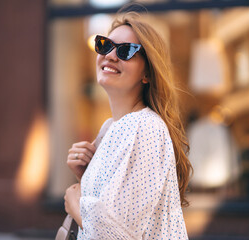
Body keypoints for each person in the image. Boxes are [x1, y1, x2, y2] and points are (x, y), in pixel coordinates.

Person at [64, 12, 192, 240]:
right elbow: (114, 213)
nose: (111, 55)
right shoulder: (112, 127)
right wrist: (86, 176)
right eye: (105, 45)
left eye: (125, 51)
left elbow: (117, 235)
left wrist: (76, 205)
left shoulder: (145, 127)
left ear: (147, 74)